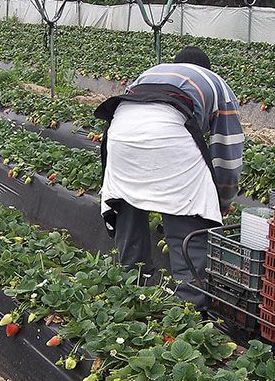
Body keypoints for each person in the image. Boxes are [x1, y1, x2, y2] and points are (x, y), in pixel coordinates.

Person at [94, 45, 243, 309]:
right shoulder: (216, 84)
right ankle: (188, 312)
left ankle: (130, 296)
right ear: (207, 69)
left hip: (120, 137)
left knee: (129, 211)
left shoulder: (150, 74)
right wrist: (220, 200)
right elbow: (227, 154)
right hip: (168, 137)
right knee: (188, 229)